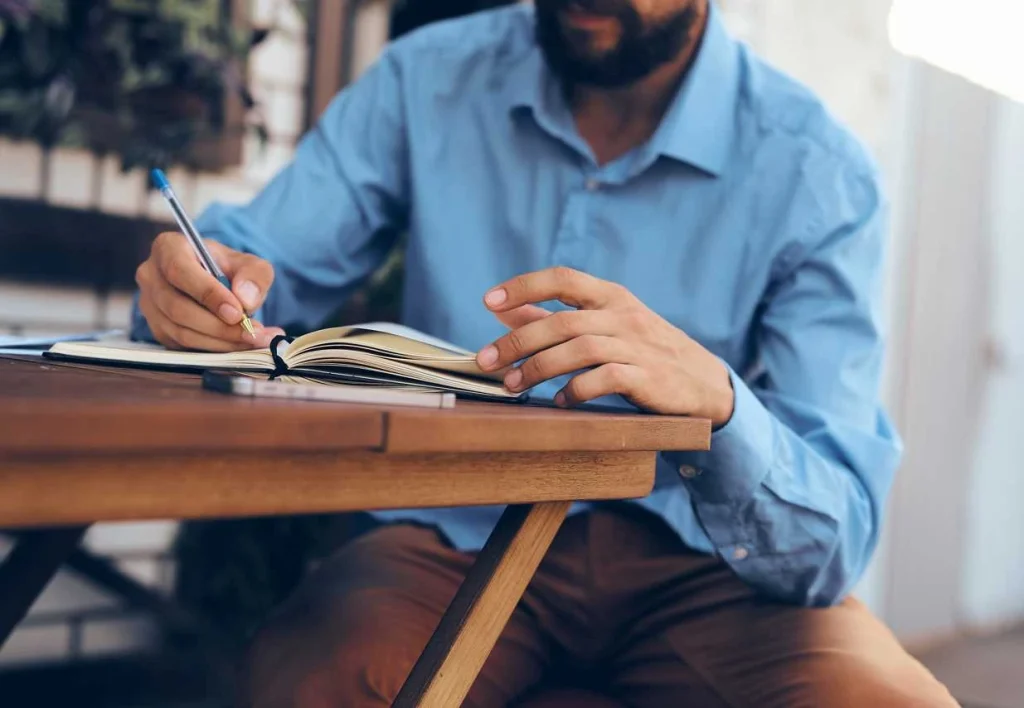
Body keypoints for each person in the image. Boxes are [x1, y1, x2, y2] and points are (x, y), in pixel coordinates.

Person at [132, 0, 957, 705]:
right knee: (321, 678)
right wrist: (197, 295)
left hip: (705, 567)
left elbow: (835, 538)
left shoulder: (818, 168)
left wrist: (724, 405)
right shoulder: (427, 78)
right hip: (447, 537)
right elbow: (253, 260)